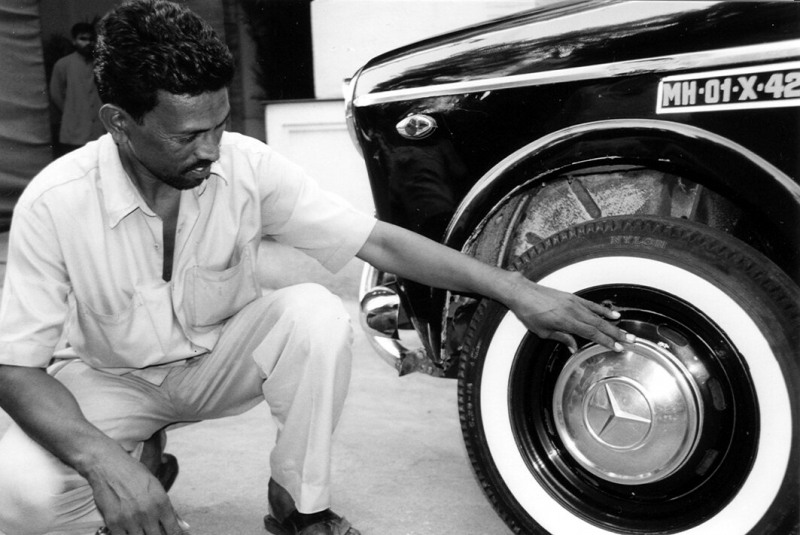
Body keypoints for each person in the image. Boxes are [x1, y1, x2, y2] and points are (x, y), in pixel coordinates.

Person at [0, 1, 630, 534]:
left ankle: (296, 503)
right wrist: (104, 461)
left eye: (219, 124)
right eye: (187, 136)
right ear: (119, 123)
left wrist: (513, 288)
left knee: (315, 314)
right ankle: (139, 456)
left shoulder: (246, 166)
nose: (212, 149)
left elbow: (378, 242)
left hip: (220, 362)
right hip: (111, 380)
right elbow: (15, 368)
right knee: (19, 495)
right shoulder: (56, 202)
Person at [49, 22, 106, 157]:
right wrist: (72, 111)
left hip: (100, 130)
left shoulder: (102, 63)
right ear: (74, 41)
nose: (88, 43)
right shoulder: (63, 64)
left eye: (91, 39)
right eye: (83, 39)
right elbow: (56, 93)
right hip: (74, 130)